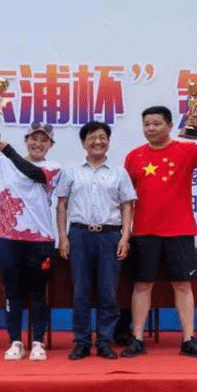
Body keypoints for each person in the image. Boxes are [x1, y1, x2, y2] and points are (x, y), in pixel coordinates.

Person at [122, 105, 197, 358]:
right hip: (144, 230)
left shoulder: (187, 150)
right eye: (147, 124)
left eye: (156, 124)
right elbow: (126, 199)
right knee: (142, 285)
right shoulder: (134, 156)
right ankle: (137, 338)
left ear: (169, 125)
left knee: (183, 285)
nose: (151, 128)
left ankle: (188, 339)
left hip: (180, 229)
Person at [0, 121, 62, 361]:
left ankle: (38, 342)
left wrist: (6, 148)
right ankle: (15, 342)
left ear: (50, 145)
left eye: (44, 141)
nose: (38, 144)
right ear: (26, 140)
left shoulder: (53, 168)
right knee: (12, 292)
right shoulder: (4, 164)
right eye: (33, 139)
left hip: (40, 239)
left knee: (38, 293)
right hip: (8, 239)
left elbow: (33, 173)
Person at [56, 121, 136, 360]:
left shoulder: (119, 173)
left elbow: (127, 206)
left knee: (108, 293)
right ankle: (81, 342)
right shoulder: (71, 171)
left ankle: (104, 342)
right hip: (79, 235)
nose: (98, 142)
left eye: (102, 137)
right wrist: (63, 237)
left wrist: (125, 237)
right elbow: (62, 205)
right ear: (83, 143)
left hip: (110, 236)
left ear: (108, 142)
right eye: (92, 138)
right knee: (80, 292)